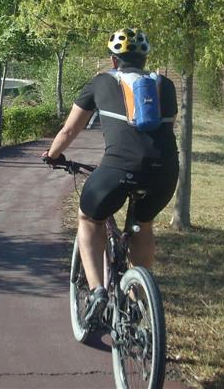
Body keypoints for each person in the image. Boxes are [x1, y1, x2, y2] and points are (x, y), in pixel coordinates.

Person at [42, 28, 179, 328]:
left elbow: (69, 130)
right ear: (144, 60)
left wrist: (52, 155)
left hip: (119, 169)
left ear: (114, 61)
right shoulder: (165, 85)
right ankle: (137, 297)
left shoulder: (100, 82)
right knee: (143, 224)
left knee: (88, 219)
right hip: (165, 172)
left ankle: (97, 292)